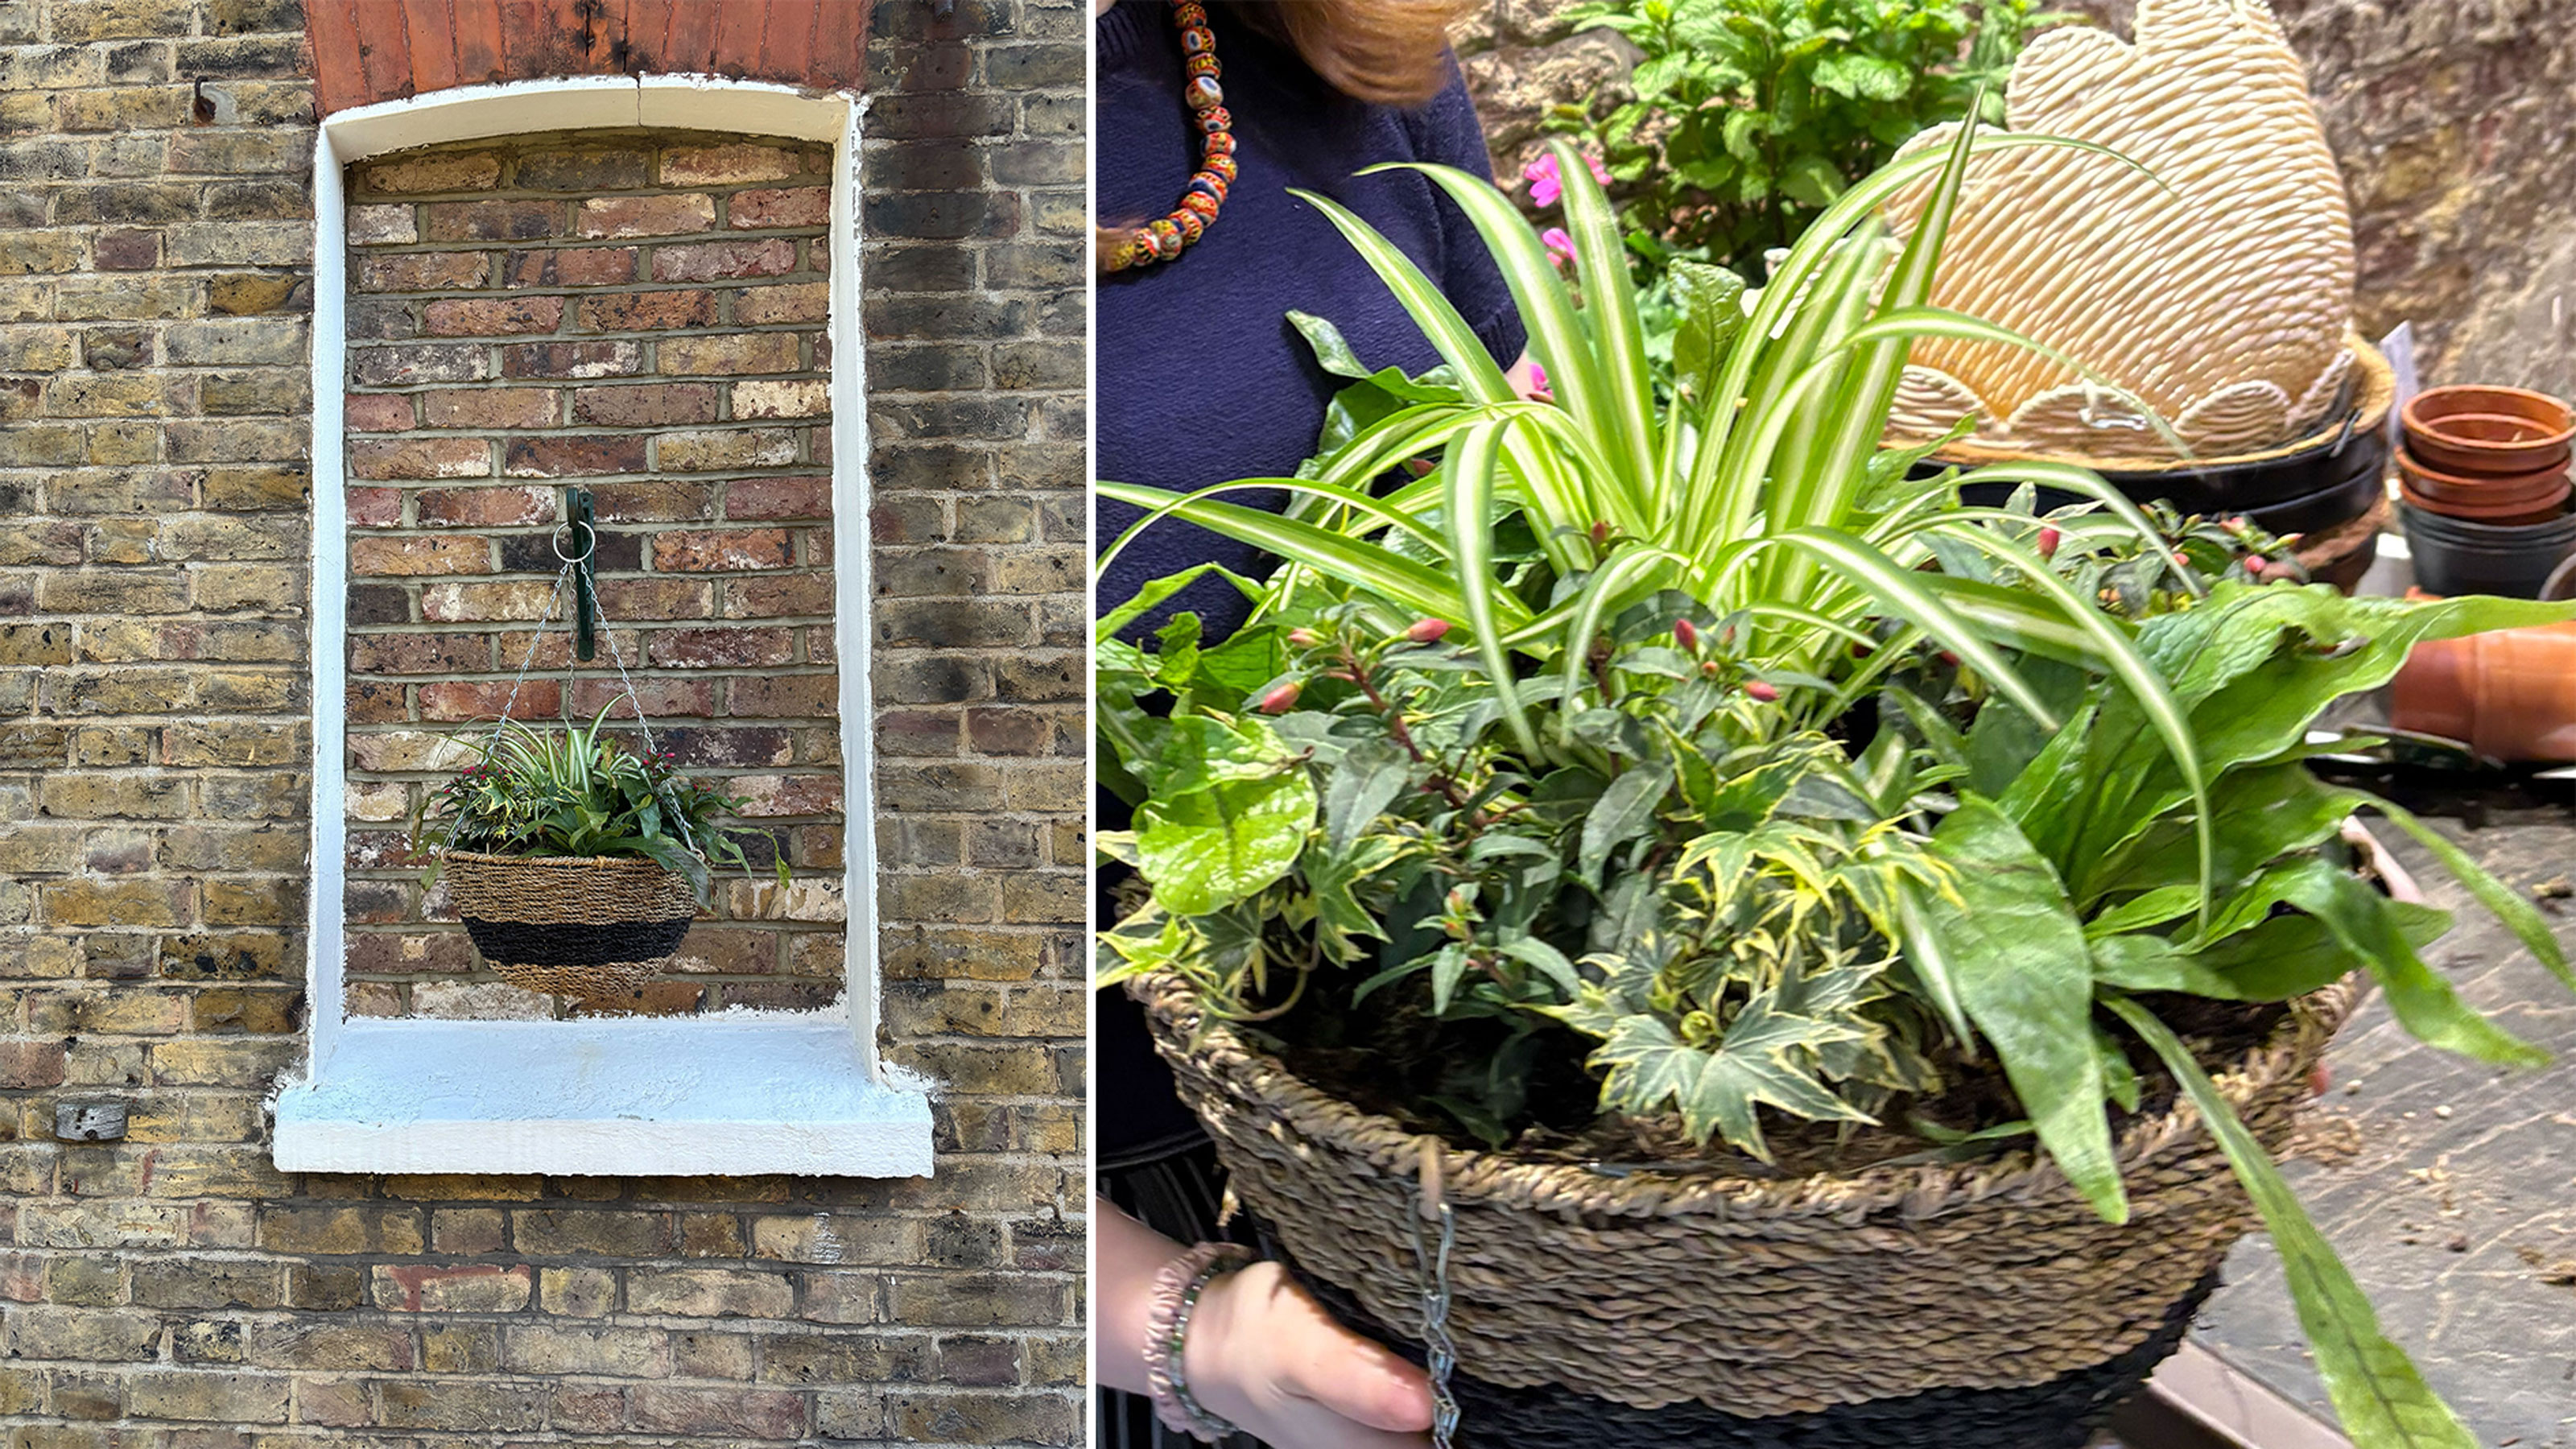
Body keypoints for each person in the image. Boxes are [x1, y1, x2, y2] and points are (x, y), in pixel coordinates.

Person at [1091, 1, 1529, 1445]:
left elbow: (1508, 509)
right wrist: (1186, 1330)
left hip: (1452, 1173)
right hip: (1055, 1257)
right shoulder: (717, 128)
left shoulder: (1341, 42)